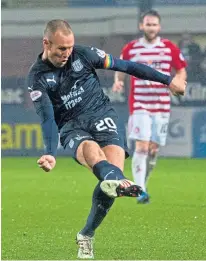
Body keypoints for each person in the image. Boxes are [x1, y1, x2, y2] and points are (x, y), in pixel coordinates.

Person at [27, 19, 186, 259]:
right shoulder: (37, 76)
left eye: (70, 47)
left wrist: (167, 80)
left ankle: (86, 234)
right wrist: (50, 151)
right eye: (61, 49)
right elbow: (47, 118)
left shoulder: (85, 54)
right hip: (71, 126)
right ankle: (121, 180)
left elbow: (126, 66)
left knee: (110, 184)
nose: (67, 53)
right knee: (92, 152)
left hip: (102, 116)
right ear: (46, 43)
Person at [112, 10, 187, 204]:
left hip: (161, 105)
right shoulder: (131, 48)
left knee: (153, 150)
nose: (151, 28)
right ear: (141, 26)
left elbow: (181, 69)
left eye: (154, 25)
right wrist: (118, 82)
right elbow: (120, 68)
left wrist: (179, 84)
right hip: (139, 104)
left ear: (159, 27)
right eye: (148, 24)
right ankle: (141, 190)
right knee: (142, 145)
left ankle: (143, 182)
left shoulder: (169, 48)